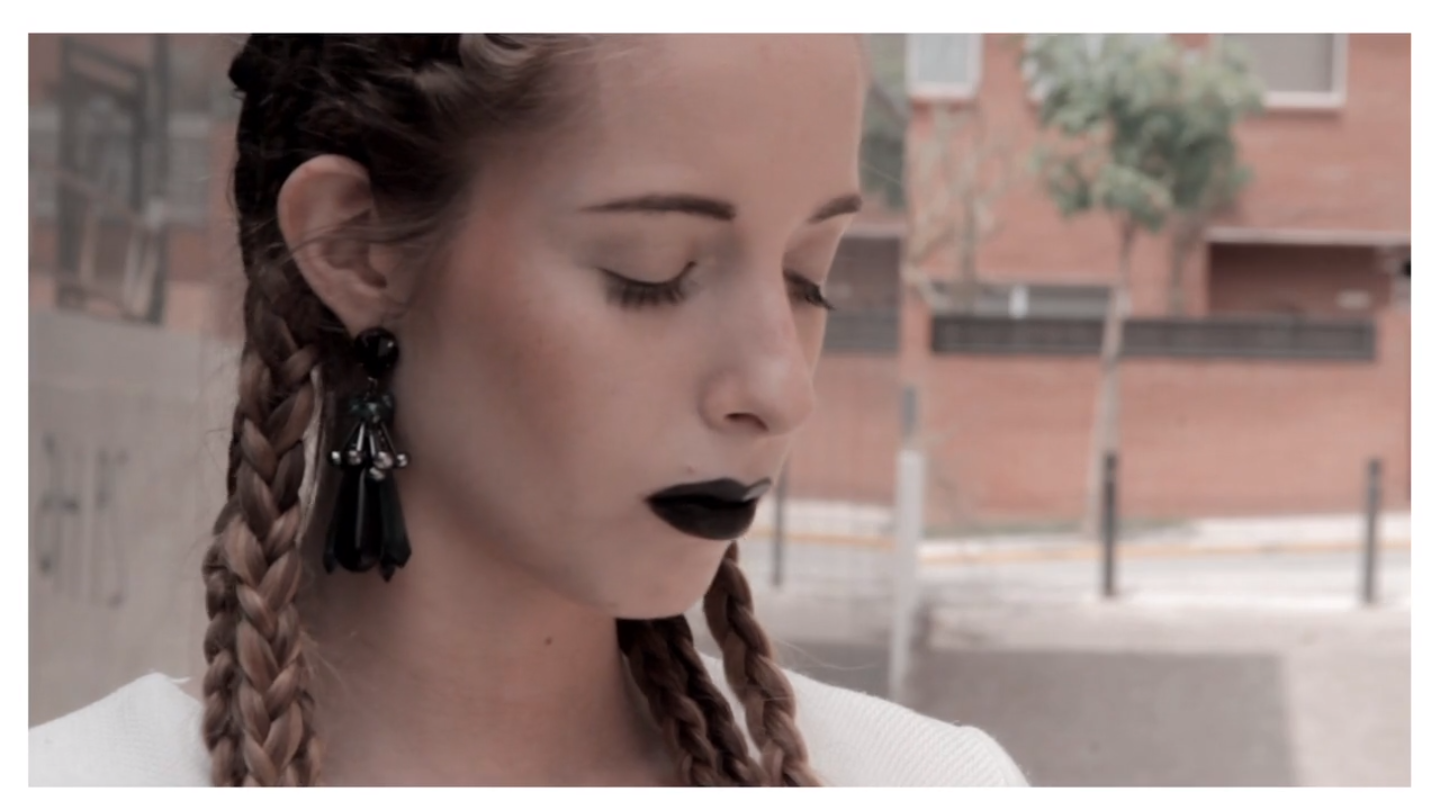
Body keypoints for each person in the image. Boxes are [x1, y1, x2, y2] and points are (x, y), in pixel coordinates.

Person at [29, 34, 1027, 787]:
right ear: (354, 249)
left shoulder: (930, 783)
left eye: (810, 277)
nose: (780, 390)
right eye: (653, 272)